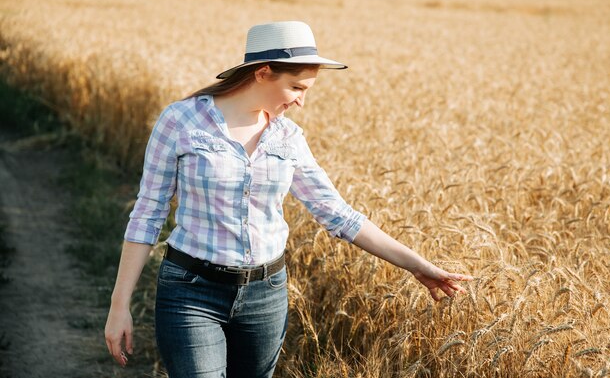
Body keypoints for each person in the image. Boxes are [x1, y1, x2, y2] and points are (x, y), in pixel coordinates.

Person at [104, 21, 473, 377]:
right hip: (191, 292)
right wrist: (119, 306)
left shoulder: (288, 138)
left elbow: (339, 216)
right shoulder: (182, 121)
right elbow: (147, 215)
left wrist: (416, 265)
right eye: (297, 88)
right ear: (263, 73)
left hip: (266, 296)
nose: (301, 103)